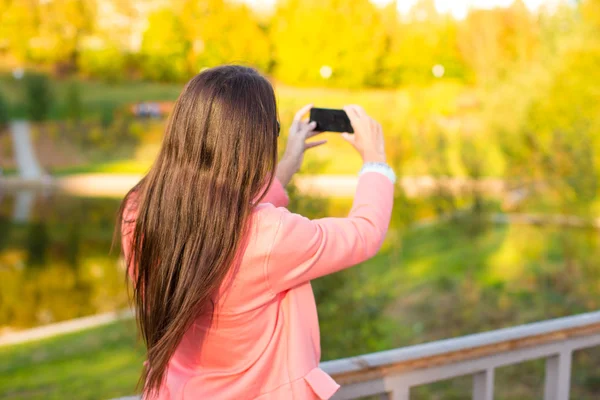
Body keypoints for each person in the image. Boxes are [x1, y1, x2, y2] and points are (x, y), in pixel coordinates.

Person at [119, 65, 395, 400]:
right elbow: (364, 232)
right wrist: (376, 160)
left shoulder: (139, 211)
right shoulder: (270, 235)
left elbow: (219, 213)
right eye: (272, 130)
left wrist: (290, 160)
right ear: (252, 142)